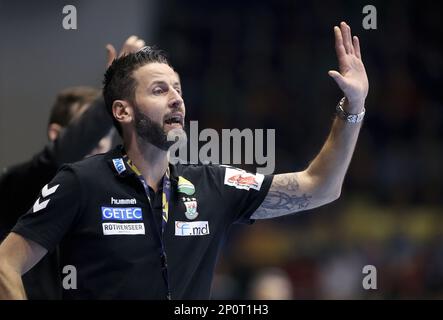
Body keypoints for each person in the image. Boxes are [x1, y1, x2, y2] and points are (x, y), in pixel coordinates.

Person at [0, 22, 368, 299]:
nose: (176, 98)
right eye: (160, 90)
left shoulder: (214, 185)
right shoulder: (80, 182)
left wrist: (352, 107)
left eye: (178, 88)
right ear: (123, 111)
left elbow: (320, 187)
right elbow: (5, 263)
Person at [0, 35, 147, 299]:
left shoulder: (114, 202)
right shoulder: (20, 185)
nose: (99, 152)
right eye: (90, 142)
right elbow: (62, 157)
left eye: (104, 144)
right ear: (57, 134)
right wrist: (115, 91)